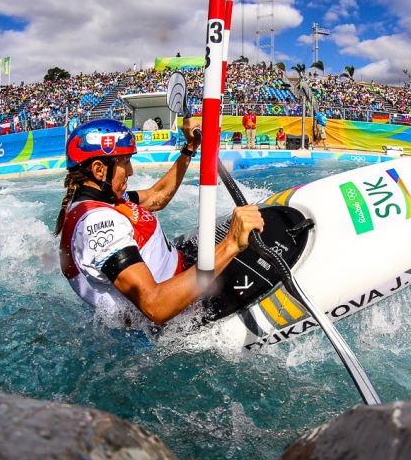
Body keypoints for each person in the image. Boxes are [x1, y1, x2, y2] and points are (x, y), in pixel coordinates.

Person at [56, 118, 264, 326]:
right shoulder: (99, 223)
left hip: (183, 275)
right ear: (99, 169)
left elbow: (159, 196)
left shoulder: (103, 199)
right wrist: (231, 244)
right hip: (177, 314)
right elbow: (155, 306)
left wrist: (190, 148)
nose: (131, 171)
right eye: (125, 162)